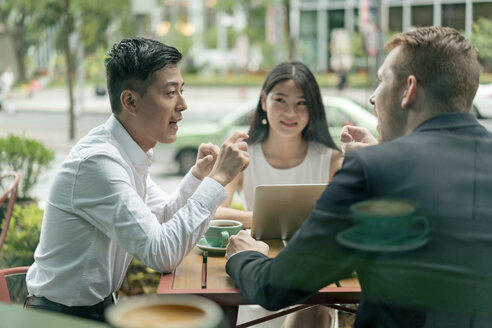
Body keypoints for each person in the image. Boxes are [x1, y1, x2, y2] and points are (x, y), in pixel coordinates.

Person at [225, 26, 492, 327]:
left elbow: (274, 288)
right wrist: (383, 152)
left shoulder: (372, 169)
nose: (372, 98)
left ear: (409, 90)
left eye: (381, 81)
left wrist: (243, 256)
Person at [24, 37, 249, 322]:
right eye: (170, 93)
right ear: (130, 101)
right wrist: (218, 180)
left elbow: (164, 217)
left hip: (94, 312)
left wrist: (198, 176)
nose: (183, 105)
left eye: (182, 90)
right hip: (58, 320)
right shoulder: (99, 164)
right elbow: (162, 253)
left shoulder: (127, 153)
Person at [215, 61, 343, 327]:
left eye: (301, 103)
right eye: (280, 100)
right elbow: (215, 213)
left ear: (313, 108)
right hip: (256, 267)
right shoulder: (243, 152)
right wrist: (265, 218)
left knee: (314, 305)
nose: (290, 112)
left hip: (310, 275)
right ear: (264, 100)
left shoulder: (331, 158)